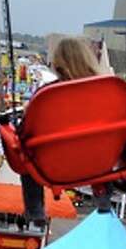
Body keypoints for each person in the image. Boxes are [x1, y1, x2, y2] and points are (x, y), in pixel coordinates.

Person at [21, 37, 103, 221]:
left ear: (57, 64)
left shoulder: (48, 94)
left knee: (25, 154)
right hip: (95, 162)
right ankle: (104, 198)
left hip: (53, 164)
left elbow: (25, 132)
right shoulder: (104, 91)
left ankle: (34, 209)